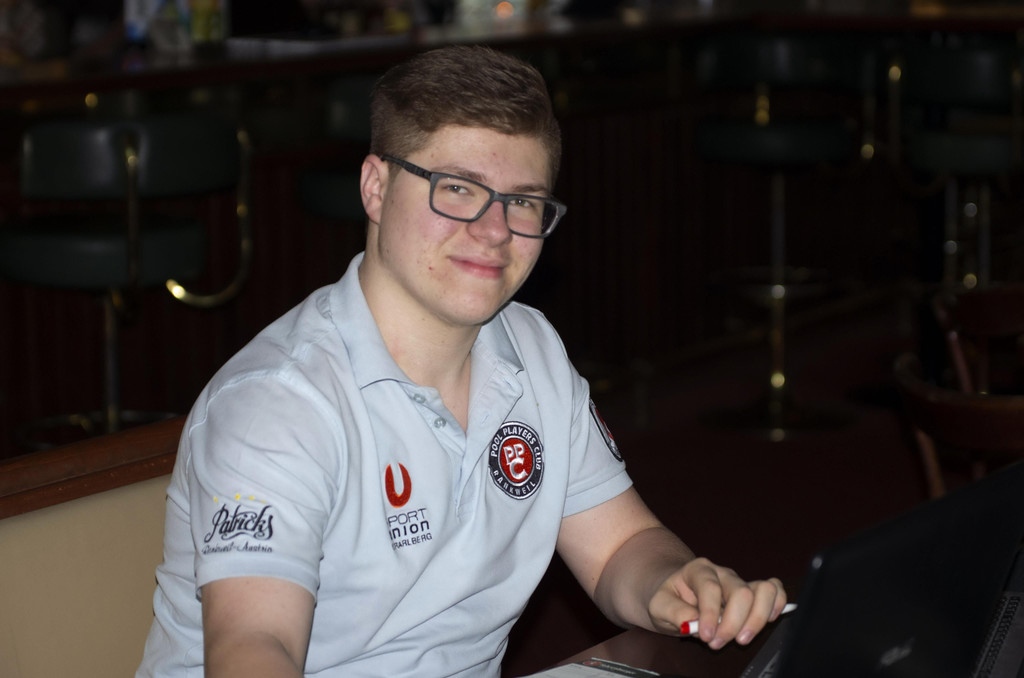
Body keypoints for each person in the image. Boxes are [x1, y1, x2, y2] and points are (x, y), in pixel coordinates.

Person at [135, 44, 787, 678]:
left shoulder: (533, 349)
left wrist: (678, 582)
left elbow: (620, 545)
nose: (495, 231)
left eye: (523, 201)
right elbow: (256, 644)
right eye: (457, 189)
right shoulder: (277, 403)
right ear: (376, 187)